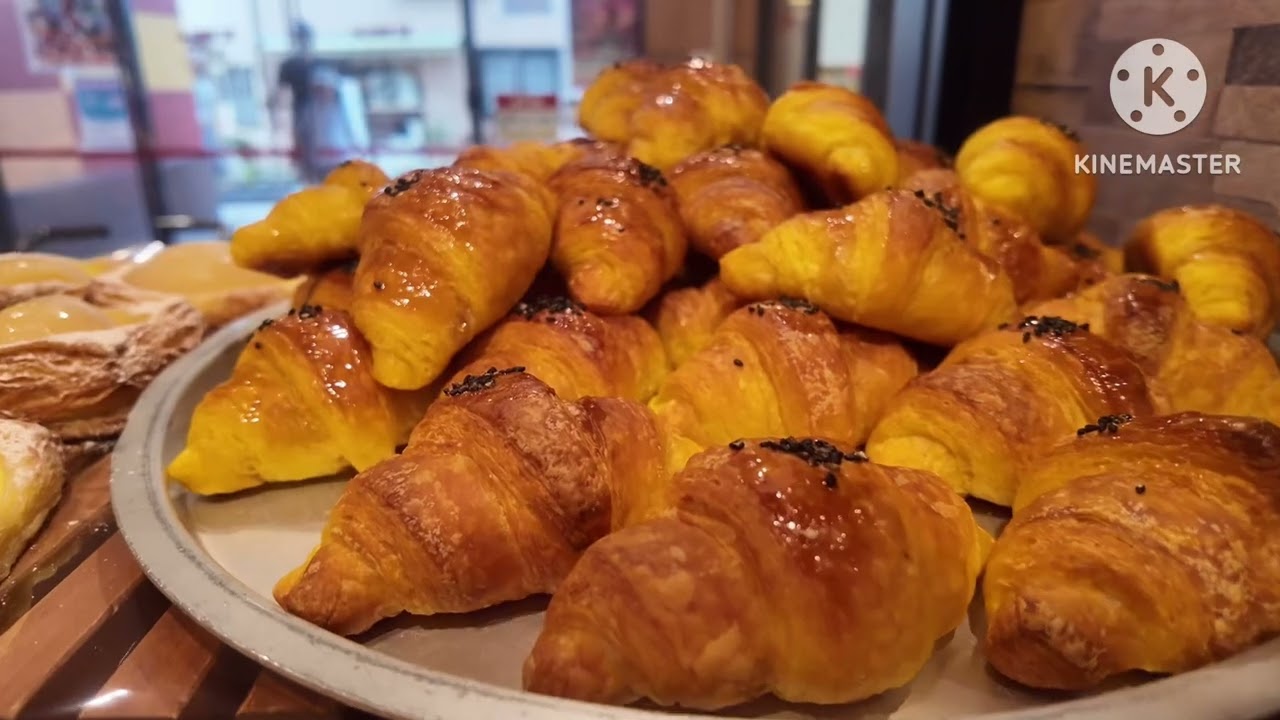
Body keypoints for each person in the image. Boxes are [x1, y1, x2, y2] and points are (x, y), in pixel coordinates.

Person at [271, 22, 324, 183]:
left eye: (305, 37)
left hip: (322, 114)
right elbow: (281, 92)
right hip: (301, 111)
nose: (303, 41)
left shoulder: (319, 63)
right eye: (300, 38)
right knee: (306, 152)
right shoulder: (289, 65)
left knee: (323, 152)